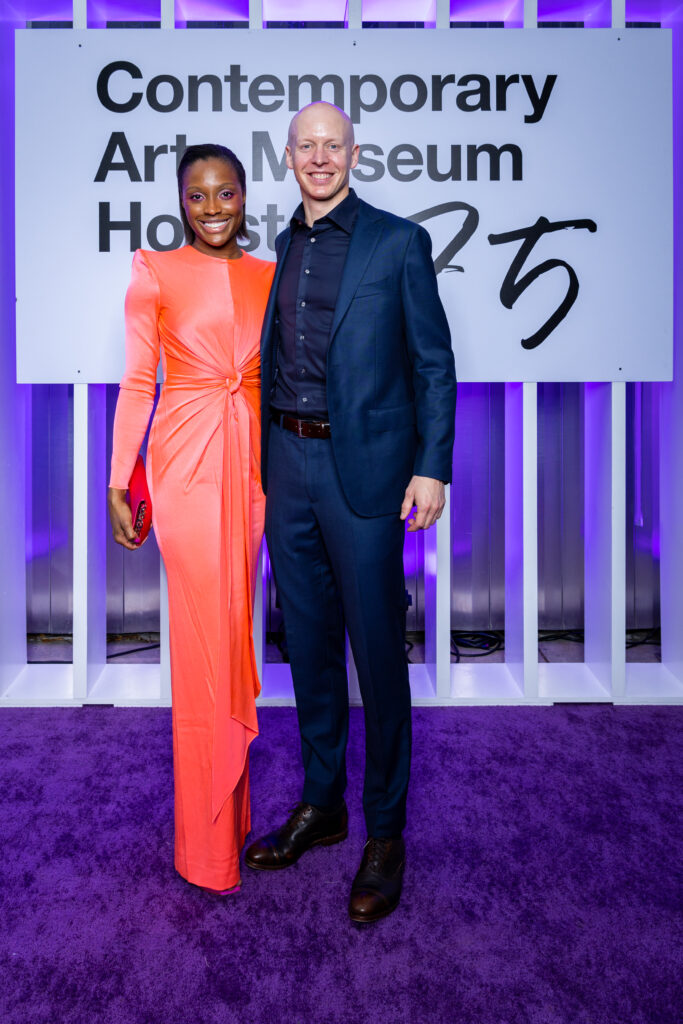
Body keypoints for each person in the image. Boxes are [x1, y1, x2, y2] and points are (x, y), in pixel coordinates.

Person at [245, 103, 457, 922]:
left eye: (334, 146)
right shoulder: (286, 243)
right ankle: (322, 805)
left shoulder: (397, 243)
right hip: (287, 465)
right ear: (289, 156)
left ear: (355, 154)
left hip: (365, 473)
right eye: (308, 146)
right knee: (307, 647)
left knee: (376, 653)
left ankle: (385, 833)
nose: (320, 158)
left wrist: (430, 468)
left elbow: (434, 365)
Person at [108, 143, 274, 895]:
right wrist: (120, 477)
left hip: (254, 468)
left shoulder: (274, 275)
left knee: (236, 631)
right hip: (183, 465)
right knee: (204, 642)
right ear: (181, 201)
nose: (213, 209)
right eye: (199, 196)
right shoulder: (155, 272)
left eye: (226, 194)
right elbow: (140, 379)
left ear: (245, 197)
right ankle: (203, 846)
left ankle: (231, 821)